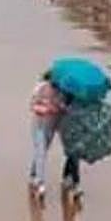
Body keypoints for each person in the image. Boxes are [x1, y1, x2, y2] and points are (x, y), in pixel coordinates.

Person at [29, 72, 65, 204]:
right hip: (38, 125)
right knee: (41, 152)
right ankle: (40, 183)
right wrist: (47, 109)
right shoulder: (40, 88)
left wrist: (58, 108)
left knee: (42, 152)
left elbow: (62, 107)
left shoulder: (61, 91)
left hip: (52, 126)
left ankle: (34, 174)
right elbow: (33, 106)